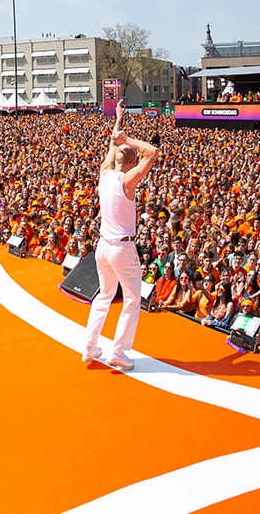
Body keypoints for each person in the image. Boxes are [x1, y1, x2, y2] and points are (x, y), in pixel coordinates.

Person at [82, 101, 160, 371]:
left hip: (103, 247)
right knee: (132, 299)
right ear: (130, 163)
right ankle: (118, 352)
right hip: (123, 249)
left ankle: (90, 346)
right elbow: (153, 152)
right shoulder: (128, 181)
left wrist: (118, 123)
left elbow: (111, 150)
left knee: (104, 295)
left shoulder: (104, 175)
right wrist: (129, 139)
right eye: (134, 161)